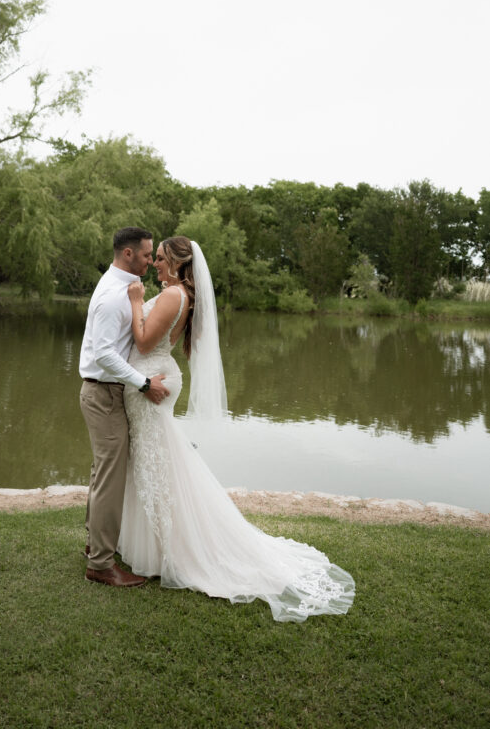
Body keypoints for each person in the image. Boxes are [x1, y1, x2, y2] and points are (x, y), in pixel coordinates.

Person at [117, 236, 355, 622]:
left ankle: (173, 548)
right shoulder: (176, 295)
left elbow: (144, 343)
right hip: (149, 382)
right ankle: (156, 542)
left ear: (178, 263)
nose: (155, 264)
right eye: (155, 258)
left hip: (150, 381)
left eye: (160, 259)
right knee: (157, 462)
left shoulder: (174, 296)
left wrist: (133, 302)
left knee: (158, 462)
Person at [79, 226, 169, 587]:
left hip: (105, 393)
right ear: (128, 254)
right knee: (110, 479)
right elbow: (103, 354)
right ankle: (100, 565)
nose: (151, 260)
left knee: (103, 473)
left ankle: (94, 546)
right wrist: (144, 383)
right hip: (103, 394)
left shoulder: (121, 287)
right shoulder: (114, 296)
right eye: (148, 254)